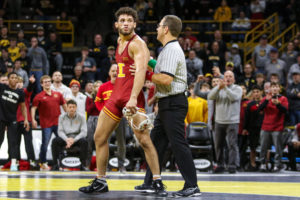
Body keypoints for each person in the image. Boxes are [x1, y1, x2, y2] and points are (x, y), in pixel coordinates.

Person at [79, 7, 166, 196]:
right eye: (122, 20)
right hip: (116, 96)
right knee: (99, 138)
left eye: (129, 20)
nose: (126, 23)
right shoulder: (119, 41)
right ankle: (101, 181)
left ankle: (157, 181)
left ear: (135, 24)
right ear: (116, 24)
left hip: (131, 98)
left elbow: (141, 72)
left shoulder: (137, 44)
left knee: (143, 139)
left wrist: (134, 98)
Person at [136, 15, 201, 197]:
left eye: (159, 25)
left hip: (174, 103)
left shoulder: (171, 49)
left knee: (178, 143)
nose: (156, 28)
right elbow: (161, 69)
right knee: (156, 144)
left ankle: (192, 185)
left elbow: (165, 78)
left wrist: (143, 73)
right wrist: (148, 62)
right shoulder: (167, 49)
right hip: (167, 103)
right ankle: (151, 182)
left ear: (166, 29)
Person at [93, 64, 127, 172]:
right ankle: (104, 166)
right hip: (107, 118)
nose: (114, 73)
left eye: (116, 71)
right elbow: (97, 101)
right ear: (109, 73)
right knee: (104, 141)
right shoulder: (103, 87)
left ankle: (121, 165)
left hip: (120, 117)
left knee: (121, 142)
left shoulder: (123, 86)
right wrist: (103, 112)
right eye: (112, 71)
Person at [208, 70, 243, 174]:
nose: (228, 78)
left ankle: (232, 166)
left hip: (232, 121)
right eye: (226, 76)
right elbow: (210, 97)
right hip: (219, 121)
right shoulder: (218, 89)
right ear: (223, 78)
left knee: (232, 144)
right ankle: (220, 165)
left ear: (234, 79)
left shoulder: (238, 88)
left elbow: (234, 97)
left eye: (230, 76)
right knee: (218, 145)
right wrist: (218, 88)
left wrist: (225, 88)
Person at [31, 75, 67, 171]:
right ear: (42, 84)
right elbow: (33, 108)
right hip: (46, 124)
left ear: (51, 82)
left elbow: (64, 106)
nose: (47, 83)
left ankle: (60, 163)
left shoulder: (58, 94)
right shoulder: (39, 96)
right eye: (45, 82)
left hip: (58, 123)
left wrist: (68, 119)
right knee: (45, 144)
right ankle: (43, 162)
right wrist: (33, 119)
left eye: (48, 81)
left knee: (62, 142)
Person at [0, 72, 29, 171]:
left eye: (15, 78)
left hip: (12, 119)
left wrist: (25, 119)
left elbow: (23, 107)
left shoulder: (20, 92)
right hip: (1, 118)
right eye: (11, 77)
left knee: (13, 142)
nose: (14, 79)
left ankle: (13, 163)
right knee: (0, 140)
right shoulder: (2, 87)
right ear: (8, 80)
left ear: (17, 80)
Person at [258, 82, 288, 172]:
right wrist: (267, 100)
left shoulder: (283, 99)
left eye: (276, 87)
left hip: (277, 127)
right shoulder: (266, 98)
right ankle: (263, 164)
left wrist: (278, 104)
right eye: (273, 87)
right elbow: (259, 109)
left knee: (278, 147)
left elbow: (285, 111)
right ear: (270, 89)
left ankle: (277, 164)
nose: (275, 88)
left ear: (279, 89)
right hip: (265, 126)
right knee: (263, 147)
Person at [51, 99, 88, 171]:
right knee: (55, 141)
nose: (72, 109)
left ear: (76, 108)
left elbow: (84, 132)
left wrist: (74, 140)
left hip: (76, 138)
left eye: (73, 107)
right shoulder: (62, 117)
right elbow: (60, 131)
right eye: (70, 107)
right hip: (66, 138)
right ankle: (55, 165)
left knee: (84, 141)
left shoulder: (82, 117)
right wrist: (67, 139)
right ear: (67, 108)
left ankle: (83, 165)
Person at [15, 75, 39, 170]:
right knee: (15, 143)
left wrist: (31, 83)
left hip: (26, 121)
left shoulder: (24, 92)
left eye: (21, 82)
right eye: (17, 82)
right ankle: (16, 162)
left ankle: (32, 161)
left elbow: (29, 89)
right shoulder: (11, 93)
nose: (19, 84)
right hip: (15, 121)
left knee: (28, 143)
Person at [243, 85, 264, 171]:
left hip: (264, 127)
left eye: (257, 92)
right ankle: (253, 163)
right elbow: (246, 117)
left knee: (265, 146)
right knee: (253, 147)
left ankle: (264, 164)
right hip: (253, 128)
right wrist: (245, 128)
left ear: (261, 92)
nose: (256, 94)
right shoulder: (249, 104)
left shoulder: (265, 103)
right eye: (254, 92)